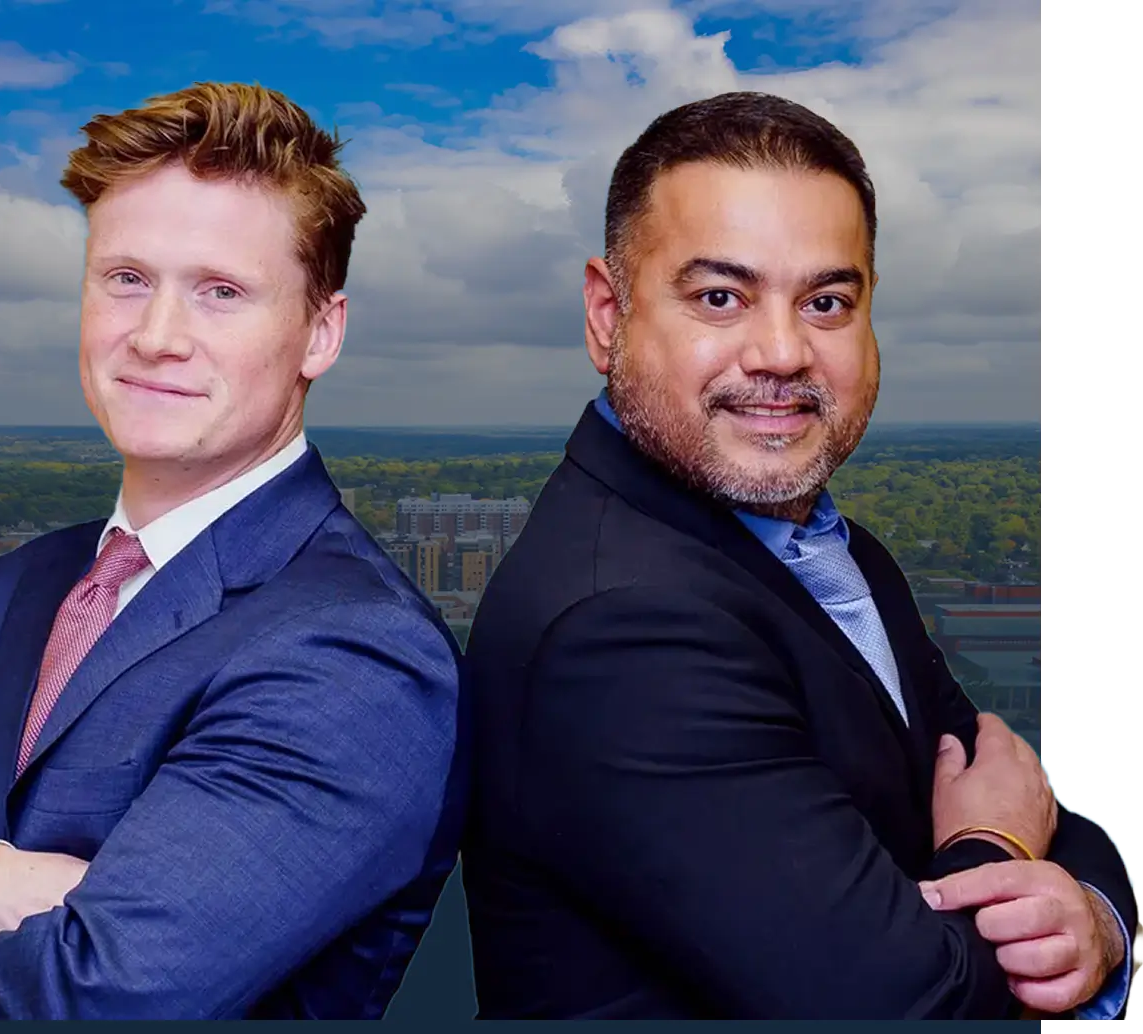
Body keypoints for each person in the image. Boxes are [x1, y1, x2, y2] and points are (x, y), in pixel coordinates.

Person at [0, 82, 468, 1020]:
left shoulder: (353, 651)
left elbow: (100, 1001)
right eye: (126, 278)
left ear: (319, 332)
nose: (155, 337)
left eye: (221, 292)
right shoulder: (11, 592)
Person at [460, 92, 1136, 1020]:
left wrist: (1096, 914)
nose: (781, 351)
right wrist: (997, 849)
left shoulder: (832, 551)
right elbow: (899, 1005)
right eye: (719, 297)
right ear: (607, 315)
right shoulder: (622, 629)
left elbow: (1017, 785)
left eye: (825, 301)